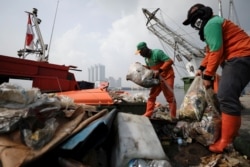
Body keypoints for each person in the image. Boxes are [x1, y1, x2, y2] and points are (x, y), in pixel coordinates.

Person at [183, 3, 250, 153]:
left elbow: (216, 51)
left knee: (225, 96)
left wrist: (208, 75)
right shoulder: (213, 24)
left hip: (241, 56)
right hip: (238, 58)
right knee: (228, 97)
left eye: (193, 22)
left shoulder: (211, 24)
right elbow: (209, 53)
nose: (194, 26)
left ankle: (225, 142)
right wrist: (201, 69)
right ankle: (232, 133)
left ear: (199, 17)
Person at [135, 42, 177, 119]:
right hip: (157, 79)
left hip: (167, 77)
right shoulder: (146, 59)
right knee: (151, 96)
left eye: (140, 52)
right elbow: (150, 68)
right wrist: (141, 66)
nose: (140, 54)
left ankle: (173, 117)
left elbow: (169, 61)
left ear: (144, 49)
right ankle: (148, 114)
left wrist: (160, 70)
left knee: (170, 97)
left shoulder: (157, 52)